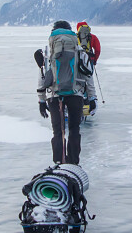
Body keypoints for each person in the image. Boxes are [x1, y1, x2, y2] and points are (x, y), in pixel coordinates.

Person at [36, 20, 90, 164]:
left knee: (58, 132)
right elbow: (88, 76)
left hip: (54, 96)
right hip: (76, 95)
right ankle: (73, 162)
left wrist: (41, 100)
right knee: (74, 129)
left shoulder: (48, 52)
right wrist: (91, 98)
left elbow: (43, 77)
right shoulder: (79, 50)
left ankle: (58, 163)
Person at [75, 21, 101, 114]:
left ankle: (79, 97)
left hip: (78, 62)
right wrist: (95, 60)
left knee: (78, 80)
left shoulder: (75, 37)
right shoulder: (92, 37)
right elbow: (97, 50)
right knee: (88, 80)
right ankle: (90, 100)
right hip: (89, 61)